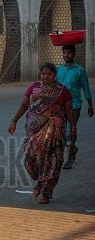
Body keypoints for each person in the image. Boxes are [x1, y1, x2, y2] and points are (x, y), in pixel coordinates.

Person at [8, 62, 76, 204]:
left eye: (49, 74)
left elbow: (69, 111)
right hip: (33, 131)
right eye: (43, 73)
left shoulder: (62, 90)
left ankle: (45, 191)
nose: (45, 76)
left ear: (54, 75)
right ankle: (40, 182)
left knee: (54, 161)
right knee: (31, 158)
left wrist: (73, 128)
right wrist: (14, 120)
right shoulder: (34, 87)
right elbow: (24, 105)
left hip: (55, 132)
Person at [56, 44, 94, 170]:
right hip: (60, 106)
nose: (66, 55)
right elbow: (54, 87)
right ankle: (73, 148)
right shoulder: (59, 70)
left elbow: (86, 89)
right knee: (60, 132)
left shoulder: (80, 71)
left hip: (74, 106)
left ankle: (68, 161)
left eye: (69, 53)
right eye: (64, 52)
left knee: (69, 132)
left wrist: (90, 105)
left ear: (74, 54)